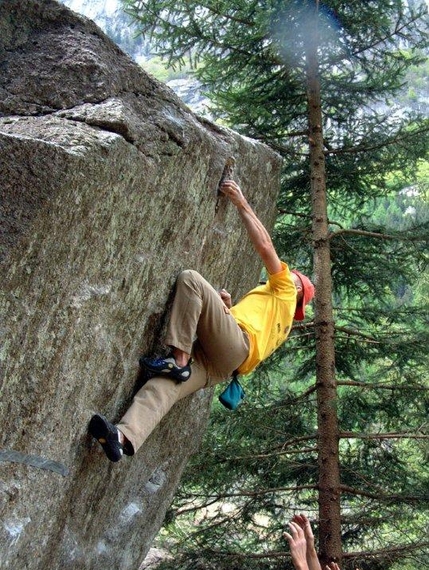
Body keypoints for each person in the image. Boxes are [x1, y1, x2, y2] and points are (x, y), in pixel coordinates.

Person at [89, 179, 315, 462]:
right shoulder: (281, 320)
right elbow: (251, 338)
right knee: (166, 385)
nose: (288, 272)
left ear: (297, 289)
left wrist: (241, 203)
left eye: (293, 275)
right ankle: (121, 438)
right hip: (223, 365)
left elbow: (265, 246)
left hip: (233, 347)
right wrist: (228, 312)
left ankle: (180, 359)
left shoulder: (284, 290)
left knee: (191, 280)